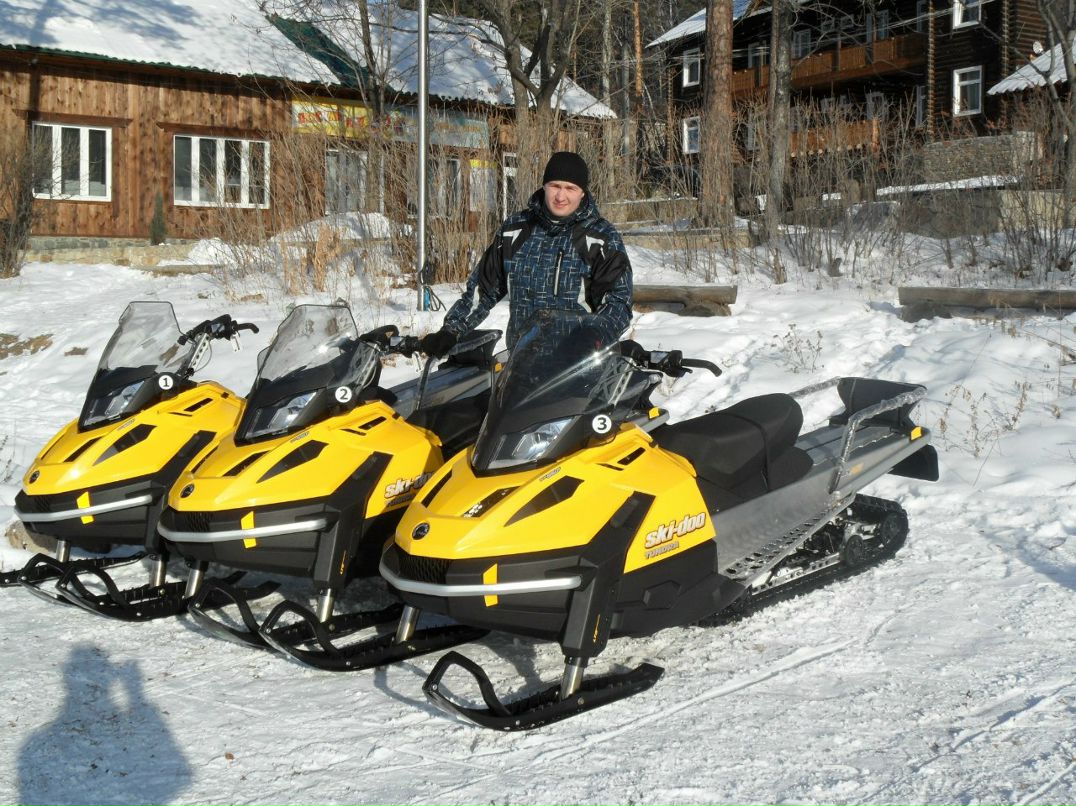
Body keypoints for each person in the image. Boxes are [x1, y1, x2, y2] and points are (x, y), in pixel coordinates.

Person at [419, 151, 633, 355]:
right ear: (544, 186)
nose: (561, 196)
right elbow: (482, 292)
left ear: (582, 192)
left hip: (578, 364)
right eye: (555, 186)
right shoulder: (515, 229)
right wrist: (452, 330)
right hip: (521, 361)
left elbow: (618, 302)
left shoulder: (600, 237)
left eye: (570, 188)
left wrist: (594, 336)